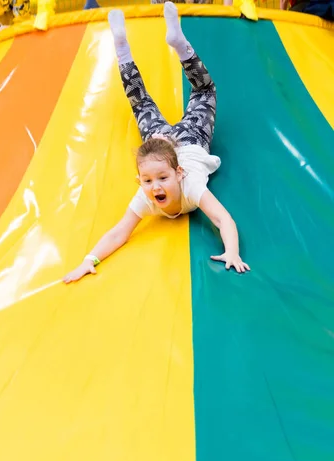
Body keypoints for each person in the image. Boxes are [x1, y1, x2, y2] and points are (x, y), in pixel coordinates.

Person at [63, 2, 249, 284]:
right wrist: (89, 261)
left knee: (154, 102)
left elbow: (224, 220)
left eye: (162, 178)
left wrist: (231, 253)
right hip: (172, 141)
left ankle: (175, 43)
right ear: (140, 181)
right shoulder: (147, 195)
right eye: (148, 181)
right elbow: (119, 233)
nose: (156, 187)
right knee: (189, 95)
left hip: (187, 142)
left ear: (179, 174)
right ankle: (123, 45)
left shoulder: (191, 186)